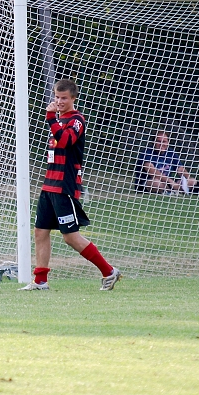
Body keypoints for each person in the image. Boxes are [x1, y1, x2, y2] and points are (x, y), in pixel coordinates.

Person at [19, 79, 122, 291]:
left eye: (64, 98)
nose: (59, 101)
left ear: (73, 98)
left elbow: (66, 141)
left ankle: (109, 271)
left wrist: (50, 118)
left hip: (64, 186)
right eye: (57, 97)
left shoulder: (76, 120)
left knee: (70, 237)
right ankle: (40, 281)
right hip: (49, 185)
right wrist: (53, 120)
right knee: (40, 231)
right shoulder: (58, 120)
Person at [134, 130, 198, 194]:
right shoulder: (147, 153)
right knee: (156, 183)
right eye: (158, 141)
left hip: (167, 183)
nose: (161, 144)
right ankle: (174, 190)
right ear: (153, 142)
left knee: (193, 181)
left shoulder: (171, 153)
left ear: (168, 143)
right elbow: (152, 172)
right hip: (149, 182)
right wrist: (171, 182)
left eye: (164, 141)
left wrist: (187, 178)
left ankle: (175, 190)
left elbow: (180, 169)